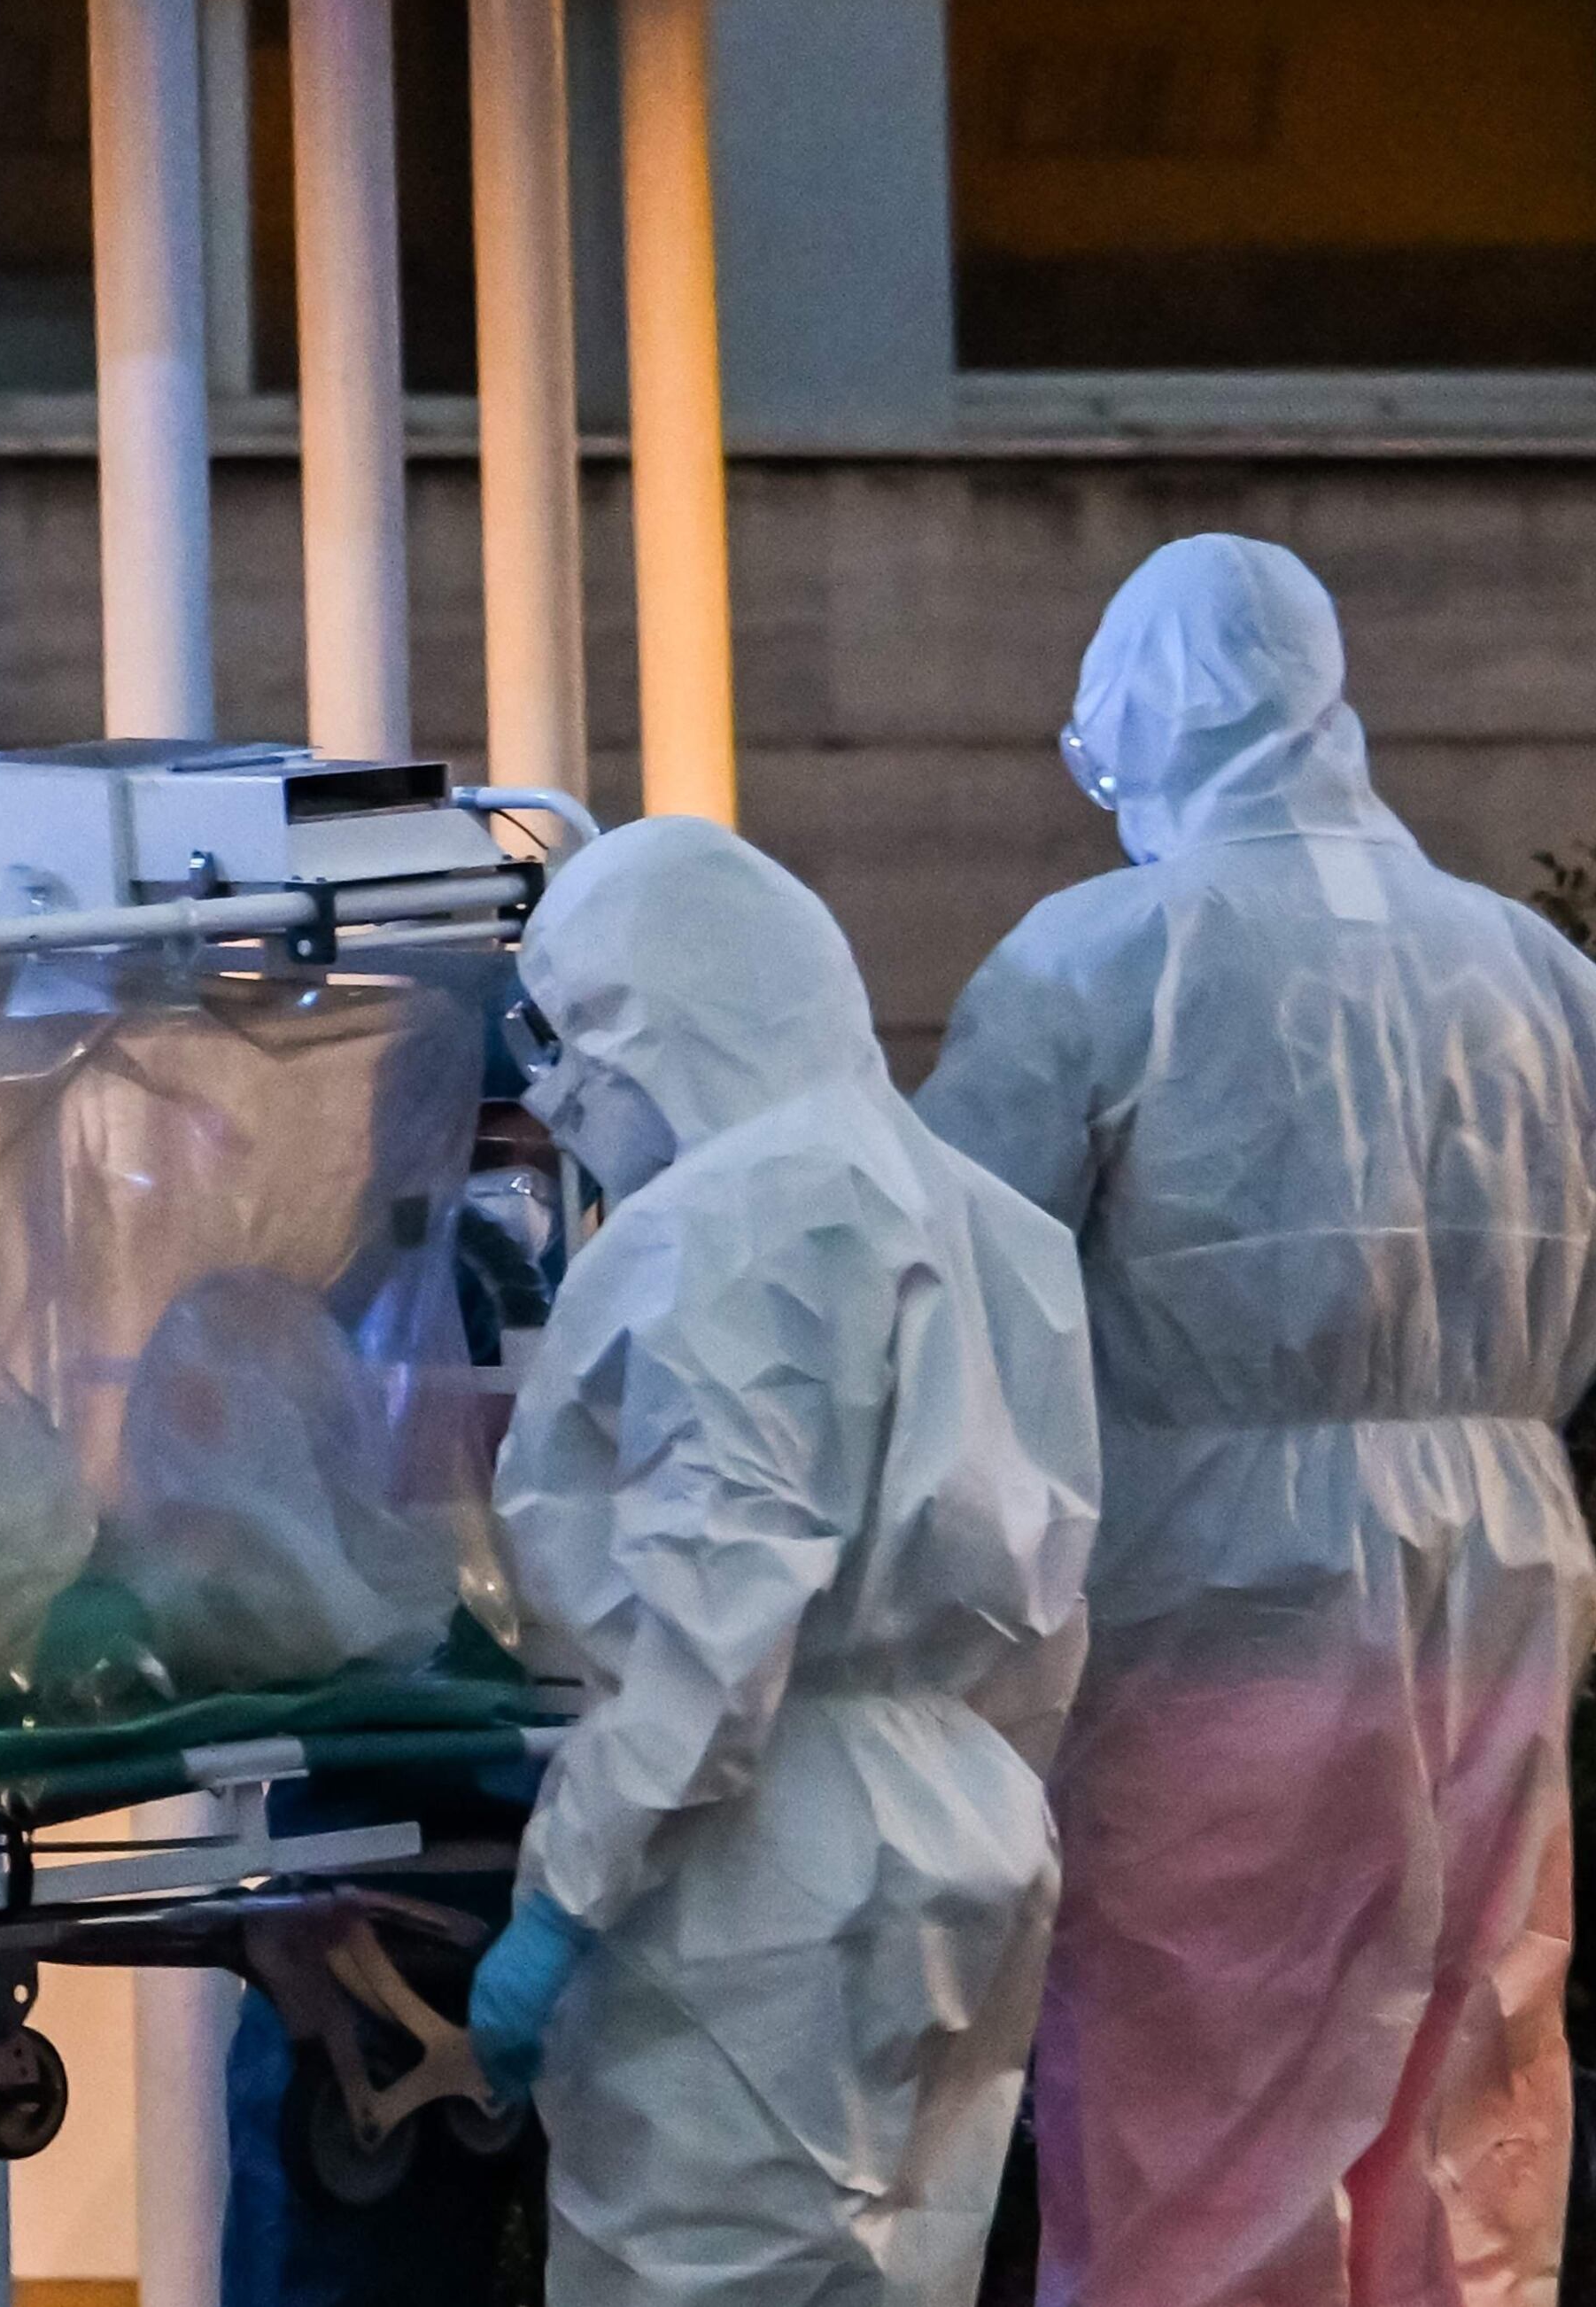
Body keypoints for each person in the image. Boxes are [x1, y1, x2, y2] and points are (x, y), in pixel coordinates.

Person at [917, 533, 1596, 2307]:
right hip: (1501, 1599)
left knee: (1193, 2140)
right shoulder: (1538, 981)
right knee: (1466, 2133)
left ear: (1141, 723)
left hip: (1204, 1618)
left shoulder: (1098, 963)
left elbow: (929, 1330)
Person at [463, 817, 1100, 2307]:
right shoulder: (980, 1215)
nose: (559, 1099)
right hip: (969, 1819)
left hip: (757, 1864)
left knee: (701, 2271)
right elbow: (1057, 1595)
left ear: (663, 1021)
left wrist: (567, 1891)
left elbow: (717, 1629)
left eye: (576, 1049)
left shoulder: (736, 1223)